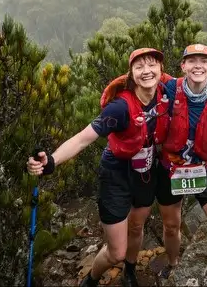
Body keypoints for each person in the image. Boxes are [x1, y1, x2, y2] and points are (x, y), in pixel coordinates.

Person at [27, 47, 166, 287]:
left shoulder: (167, 93)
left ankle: (130, 272)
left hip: (145, 172)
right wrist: (51, 161)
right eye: (139, 67)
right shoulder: (120, 108)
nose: (147, 71)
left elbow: (196, 85)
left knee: (136, 226)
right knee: (116, 252)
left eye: (152, 64)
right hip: (116, 174)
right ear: (131, 74)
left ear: (161, 70)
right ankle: (91, 278)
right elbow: (83, 138)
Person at [152, 43, 207, 276]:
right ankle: (173, 266)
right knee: (171, 227)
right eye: (192, 61)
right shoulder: (169, 89)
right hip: (171, 168)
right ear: (183, 66)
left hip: (205, 168)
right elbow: (144, 83)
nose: (197, 65)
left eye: (204, 61)